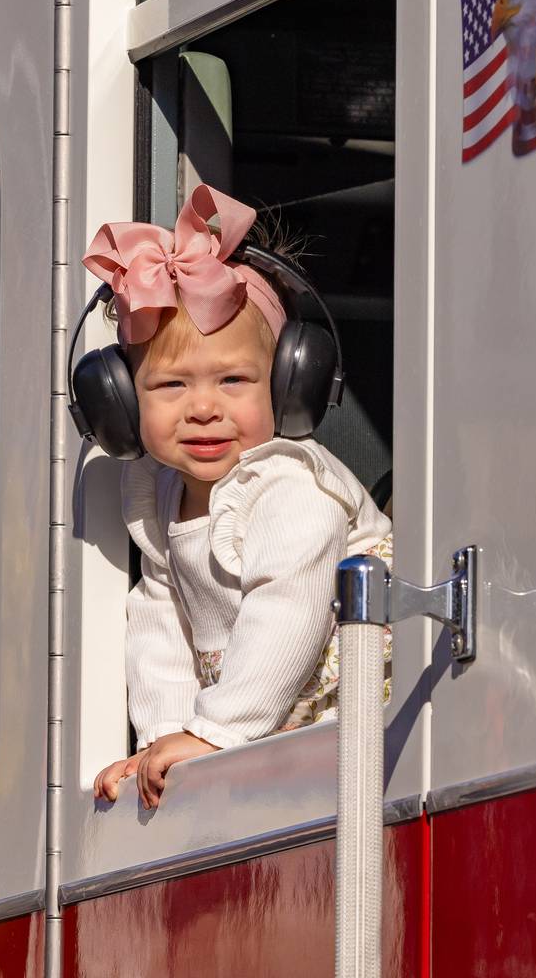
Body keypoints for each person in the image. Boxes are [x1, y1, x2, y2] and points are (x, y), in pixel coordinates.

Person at [86, 185, 391, 810]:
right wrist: (165, 741)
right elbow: (161, 629)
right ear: (121, 401)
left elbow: (290, 609)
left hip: (360, 730)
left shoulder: (289, 484)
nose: (203, 408)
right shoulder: (158, 493)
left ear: (287, 385)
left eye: (233, 380)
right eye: (170, 385)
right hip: (265, 732)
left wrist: (212, 732)